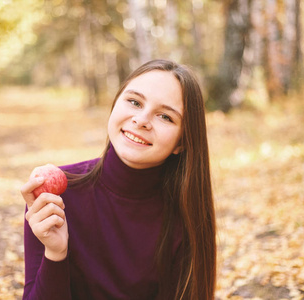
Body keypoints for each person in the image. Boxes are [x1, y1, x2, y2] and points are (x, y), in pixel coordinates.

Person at [20, 59, 217, 300]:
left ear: (182, 142)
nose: (141, 120)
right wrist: (55, 252)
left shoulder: (186, 215)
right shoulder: (57, 195)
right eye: (134, 102)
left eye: (165, 116)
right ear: (115, 105)